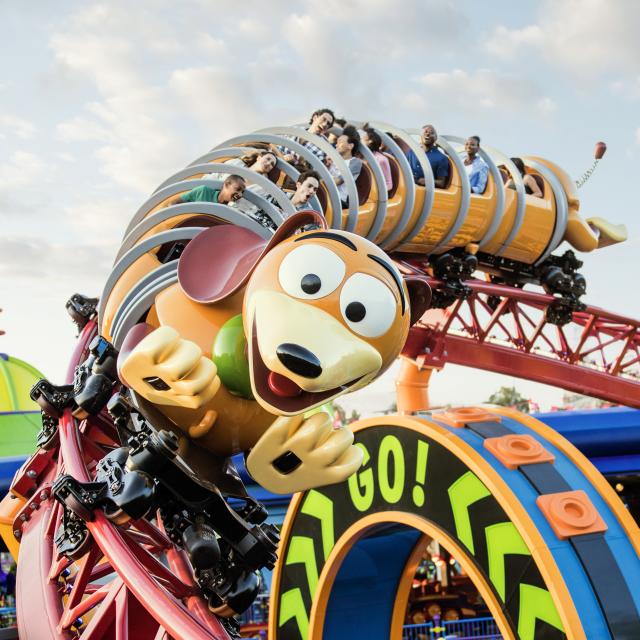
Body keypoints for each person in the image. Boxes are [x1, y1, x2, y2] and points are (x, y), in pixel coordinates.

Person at [329, 125, 362, 208]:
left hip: (338, 200)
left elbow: (338, 181)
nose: (336, 145)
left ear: (350, 146)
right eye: (337, 142)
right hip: (325, 194)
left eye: (340, 142)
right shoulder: (332, 158)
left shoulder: (355, 162)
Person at [406, 124, 449, 189]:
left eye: (431, 133)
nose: (428, 134)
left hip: (426, 193)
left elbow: (442, 183)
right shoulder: (412, 152)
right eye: (425, 132)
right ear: (420, 135)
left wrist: (427, 181)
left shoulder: (442, 158)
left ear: (436, 138)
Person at [168, 174, 245, 206]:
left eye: (242, 192)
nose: (240, 194)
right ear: (226, 185)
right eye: (237, 189)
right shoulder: (203, 191)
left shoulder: (234, 210)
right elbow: (173, 204)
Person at [363, 128, 393, 193]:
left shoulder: (381, 160)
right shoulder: (360, 156)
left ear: (370, 141)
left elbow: (389, 185)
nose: (360, 141)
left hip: (374, 193)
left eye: (363, 139)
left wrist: (375, 192)